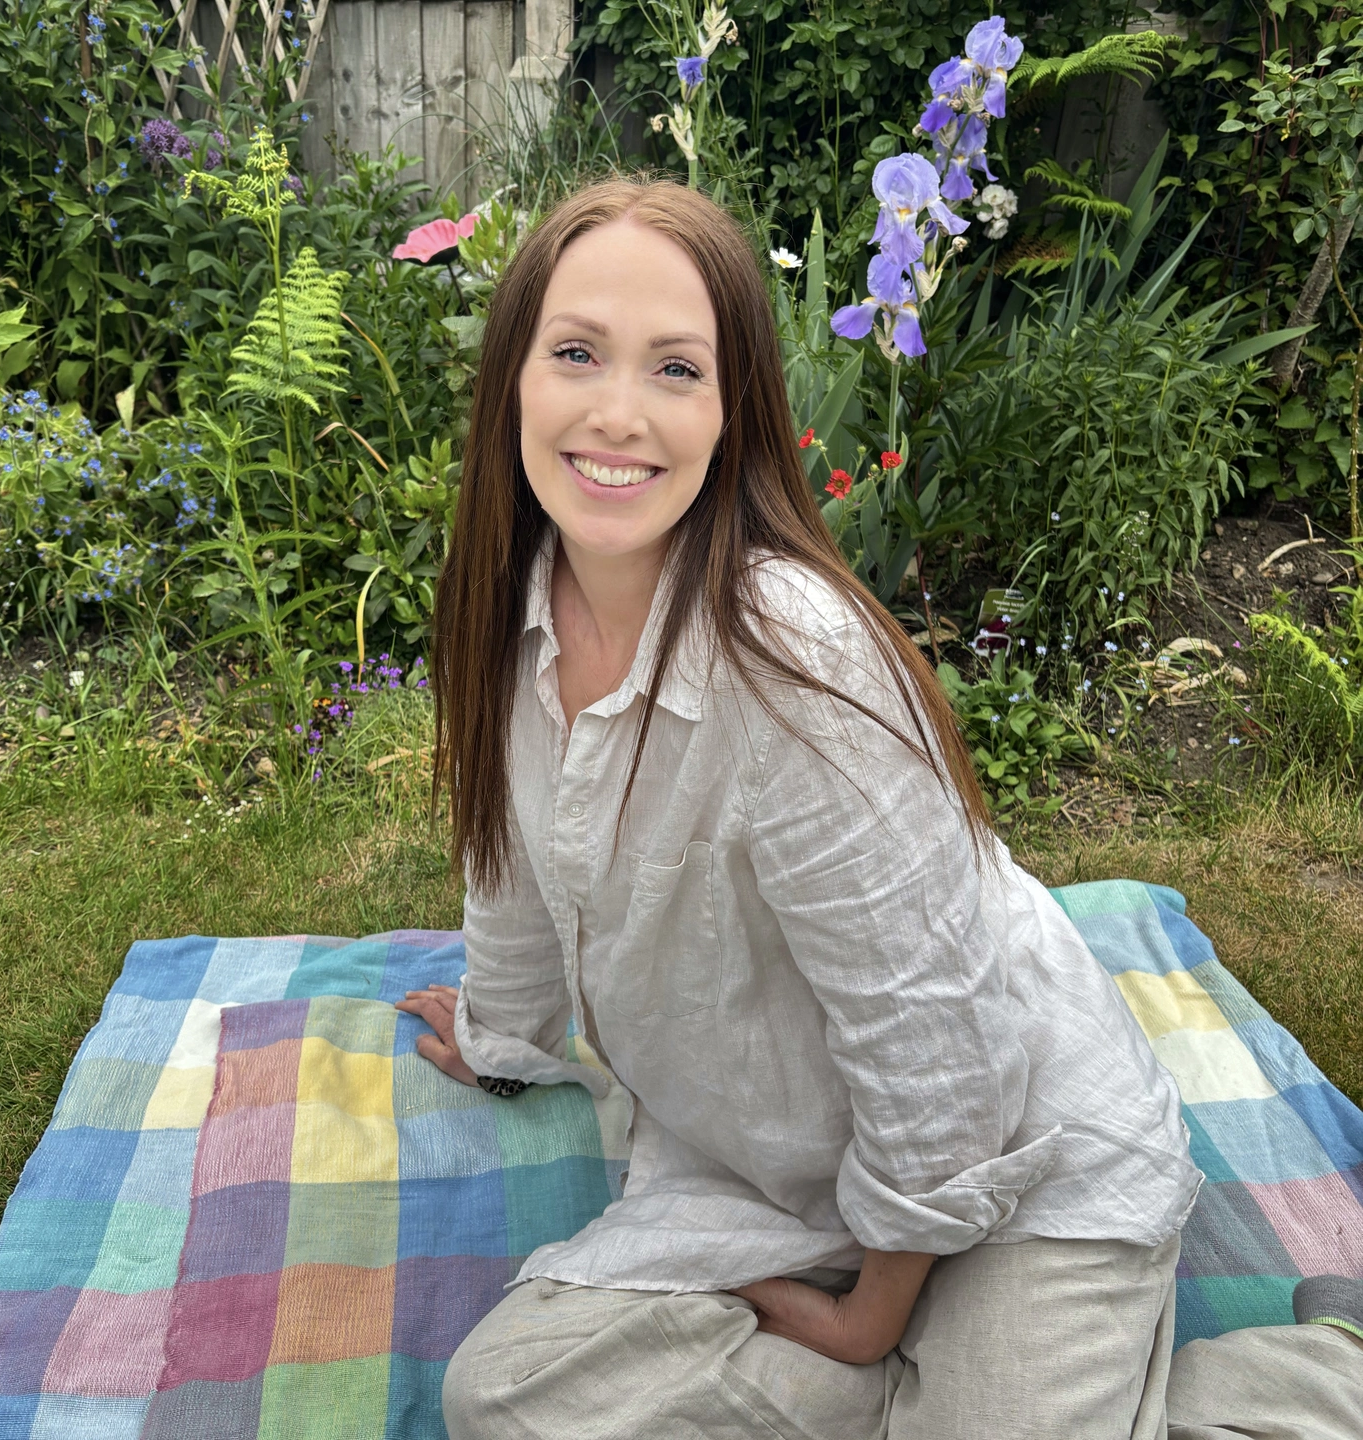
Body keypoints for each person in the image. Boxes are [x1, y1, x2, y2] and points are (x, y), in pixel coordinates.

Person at [398, 177, 1363, 1439]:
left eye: (677, 369)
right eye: (576, 352)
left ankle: (1325, 1375)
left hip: (1019, 1160)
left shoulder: (798, 663)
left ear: (734, 408)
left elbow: (943, 1054)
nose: (617, 412)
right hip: (779, 1167)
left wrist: (873, 1317)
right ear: (514, 381)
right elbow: (514, 857)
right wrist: (504, 1034)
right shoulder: (507, 600)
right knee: (504, 1397)